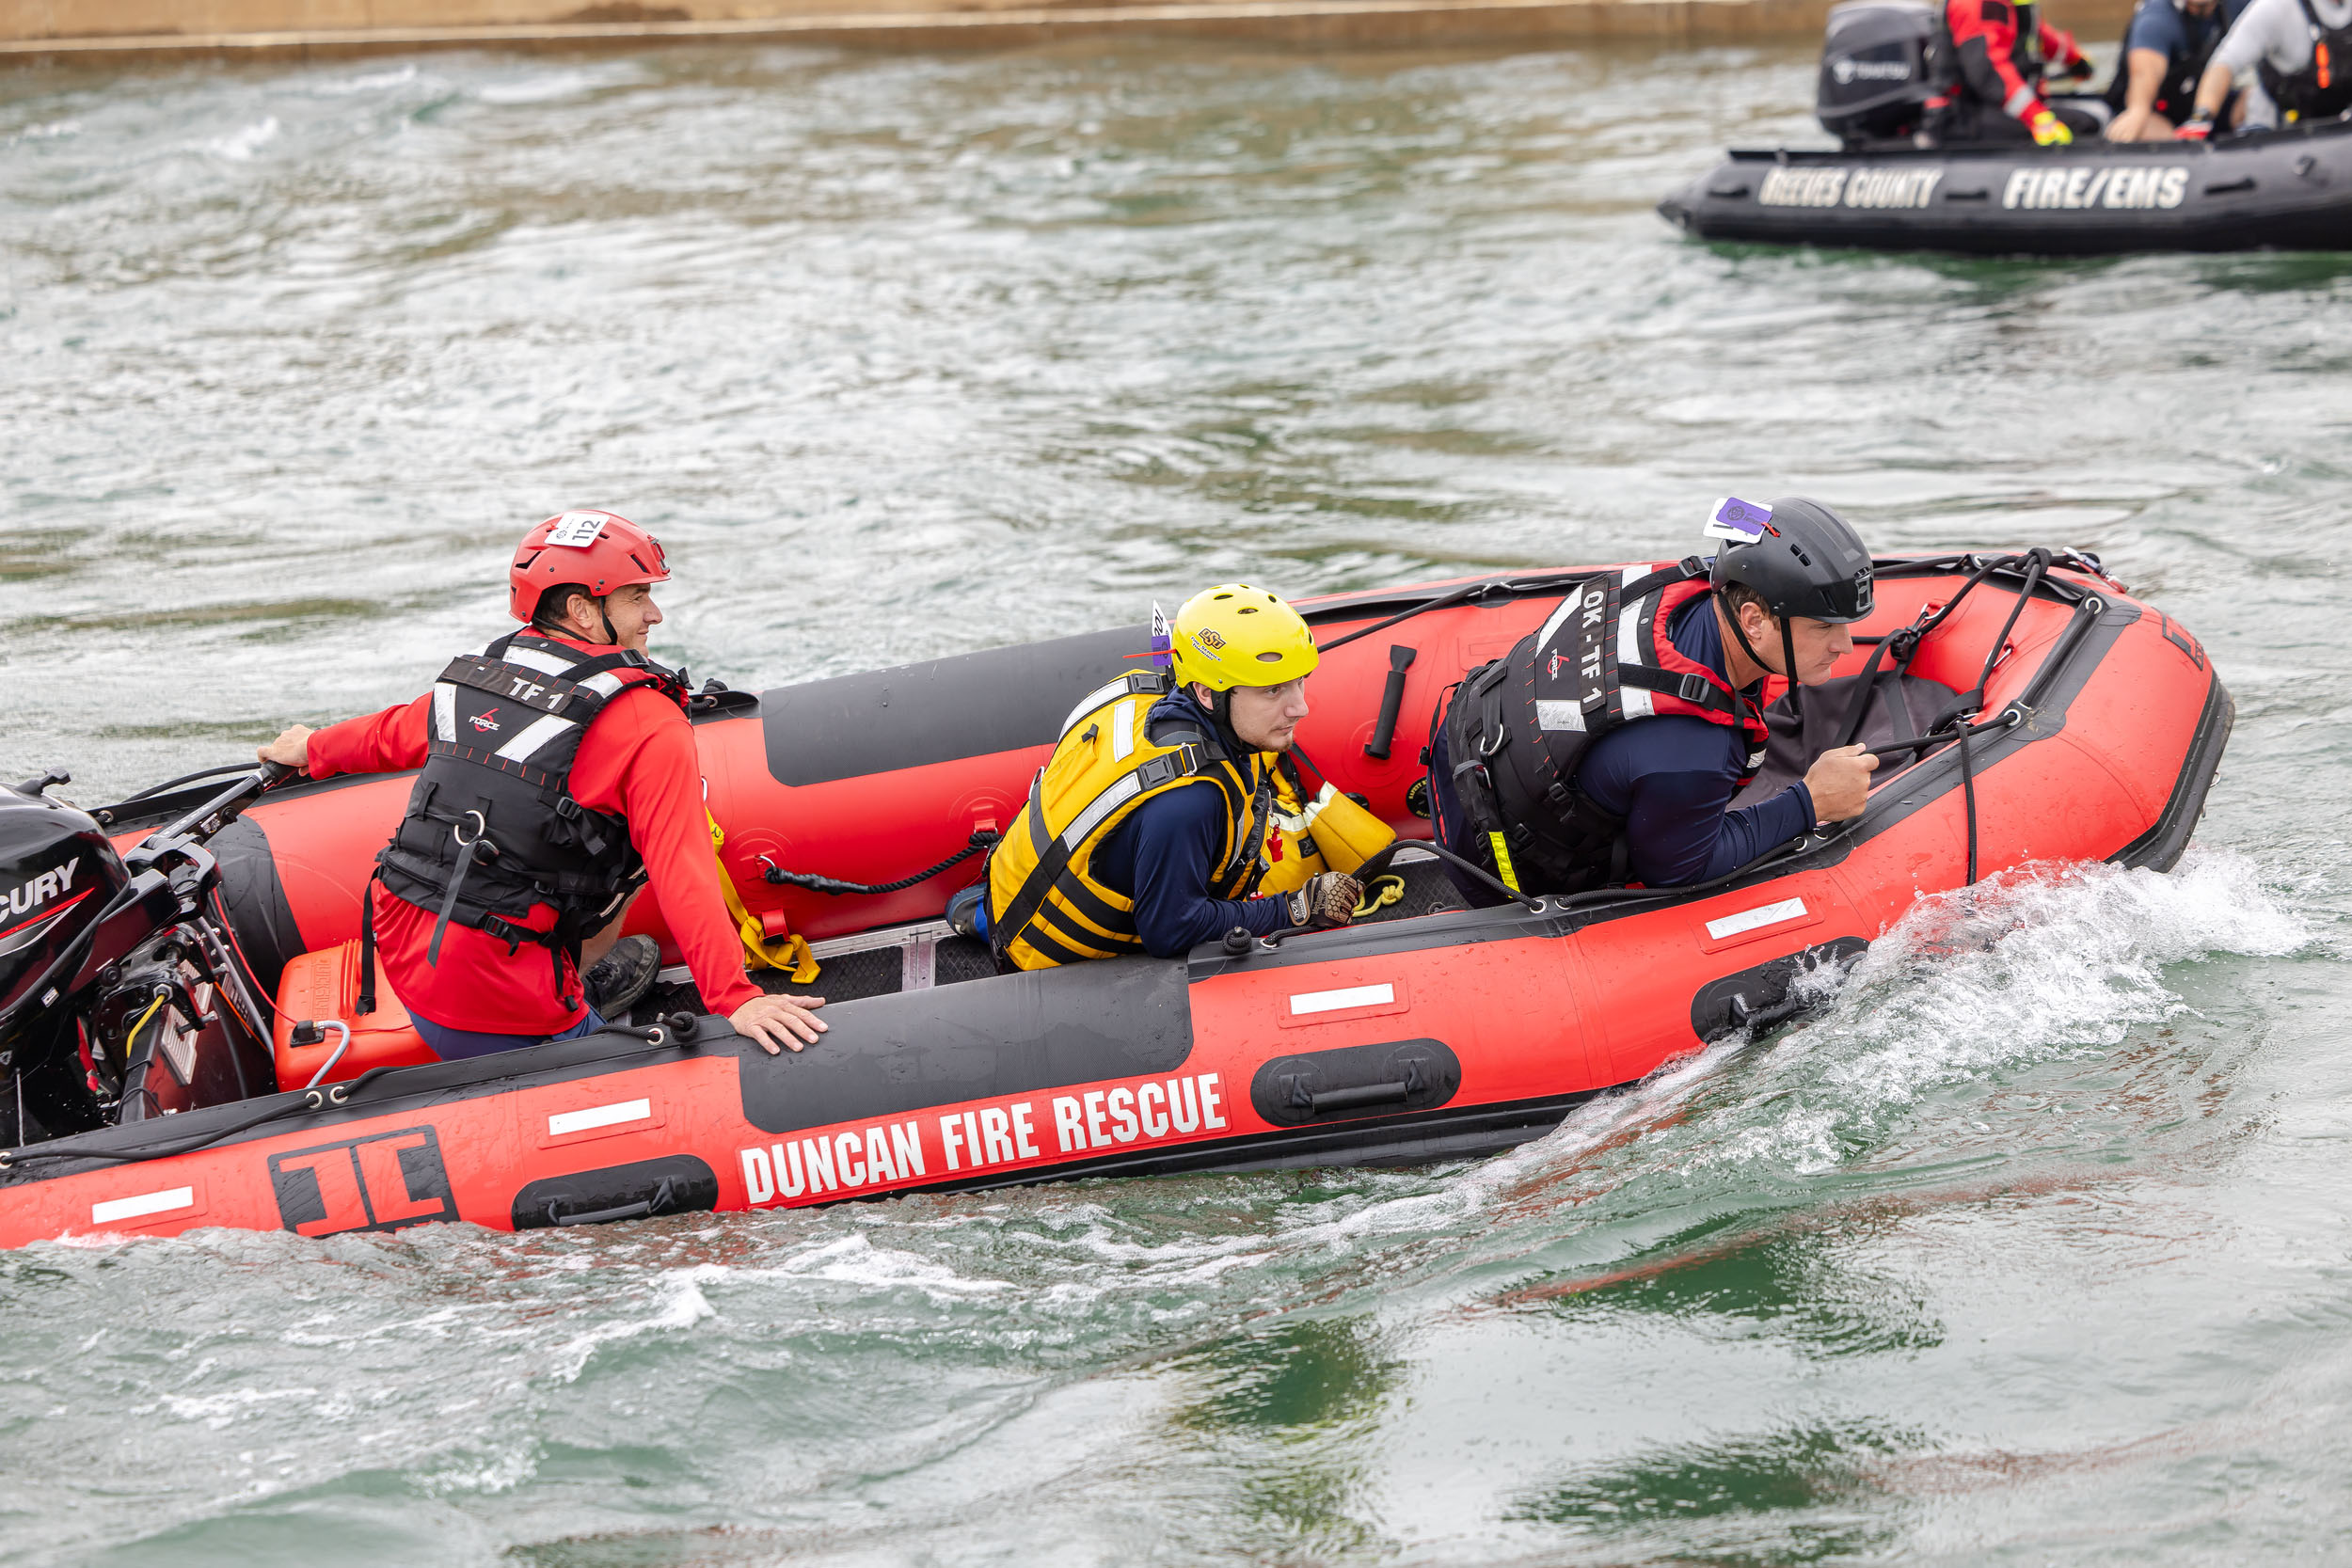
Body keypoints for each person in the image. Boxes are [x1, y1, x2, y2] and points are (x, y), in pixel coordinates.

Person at [257, 510, 826, 1059]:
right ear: (582, 608)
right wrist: (736, 998)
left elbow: (394, 732)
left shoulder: (484, 675)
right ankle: (570, 1019)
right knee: (636, 851)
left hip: (406, 952)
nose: (654, 614)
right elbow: (684, 869)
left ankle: (573, 978)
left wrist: (312, 748)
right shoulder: (646, 721)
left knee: (598, 841)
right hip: (498, 1003)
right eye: (637, 596)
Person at [1425, 498, 1882, 904]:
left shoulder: (1674, 590)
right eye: (1824, 627)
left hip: (1469, 742)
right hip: (1491, 865)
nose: (1844, 644)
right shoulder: (1691, 751)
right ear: (1753, 620)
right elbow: (1679, 871)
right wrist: (1811, 802)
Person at [981, 584, 1362, 970]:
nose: (1301, 706)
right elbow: (1170, 931)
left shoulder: (1151, 702)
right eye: (1273, 690)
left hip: (1012, 890)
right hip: (1043, 964)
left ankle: (973, 915)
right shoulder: (1189, 802)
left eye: (1300, 681)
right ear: (1208, 694)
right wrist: (1295, 908)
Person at [1925, 0, 2097, 144]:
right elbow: (1989, 73)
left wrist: (2075, 60)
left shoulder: (2012, 3)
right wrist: (2037, 116)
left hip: (1996, 108)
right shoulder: (1980, 4)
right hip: (1967, 115)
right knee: (2086, 123)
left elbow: (2036, 35)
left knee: (2097, 111)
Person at [2174, 0, 2352, 135]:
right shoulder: (2275, 7)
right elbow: (2223, 64)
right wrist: (2201, 116)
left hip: (2336, 129)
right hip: (2274, 133)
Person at [2105, 0, 2252, 137]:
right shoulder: (2157, 16)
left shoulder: (2242, 7)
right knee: (2141, 124)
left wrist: (2200, 119)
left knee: (2254, 99)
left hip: (2207, 109)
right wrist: (2138, 109)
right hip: (2157, 111)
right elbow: (2144, 77)